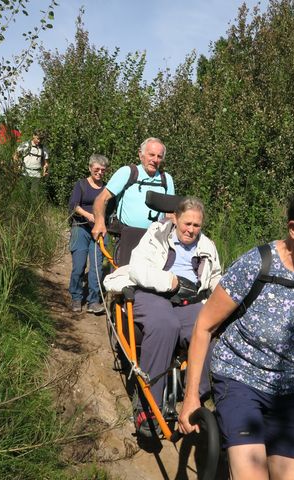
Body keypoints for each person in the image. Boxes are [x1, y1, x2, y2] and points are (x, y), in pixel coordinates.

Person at [178, 183, 294, 480]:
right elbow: (204, 326)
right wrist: (191, 396)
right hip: (240, 379)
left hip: (289, 392)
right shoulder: (256, 265)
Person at [103, 197, 221, 437]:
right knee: (165, 325)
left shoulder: (207, 246)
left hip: (190, 299)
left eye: (196, 225)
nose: (191, 230)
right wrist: (171, 282)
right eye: (187, 223)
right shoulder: (156, 235)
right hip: (153, 291)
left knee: (208, 329)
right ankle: (148, 402)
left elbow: (217, 278)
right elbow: (138, 269)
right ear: (175, 219)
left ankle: (196, 399)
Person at [91, 137, 175, 266]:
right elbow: (101, 199)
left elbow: (171, 213)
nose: (155, 160)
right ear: (140, 154)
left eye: (159, 156)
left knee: (149, 283)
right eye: (151, 155)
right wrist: (99, 223)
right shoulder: (128, 172)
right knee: (122, 280)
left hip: (156, 241)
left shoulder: (166, 179)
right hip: (127, 237)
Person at [68, 154, 110, 314]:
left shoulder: (107, 189)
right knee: (79, 266)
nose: (99, 172)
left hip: (99, 231)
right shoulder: (81, 185)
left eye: (103, 170)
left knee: (97, 268)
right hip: (81, 227)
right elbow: (74, 205)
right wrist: (89, 215)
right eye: (96, 169)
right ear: (90, 168)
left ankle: (94, 300)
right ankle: (76, 297)